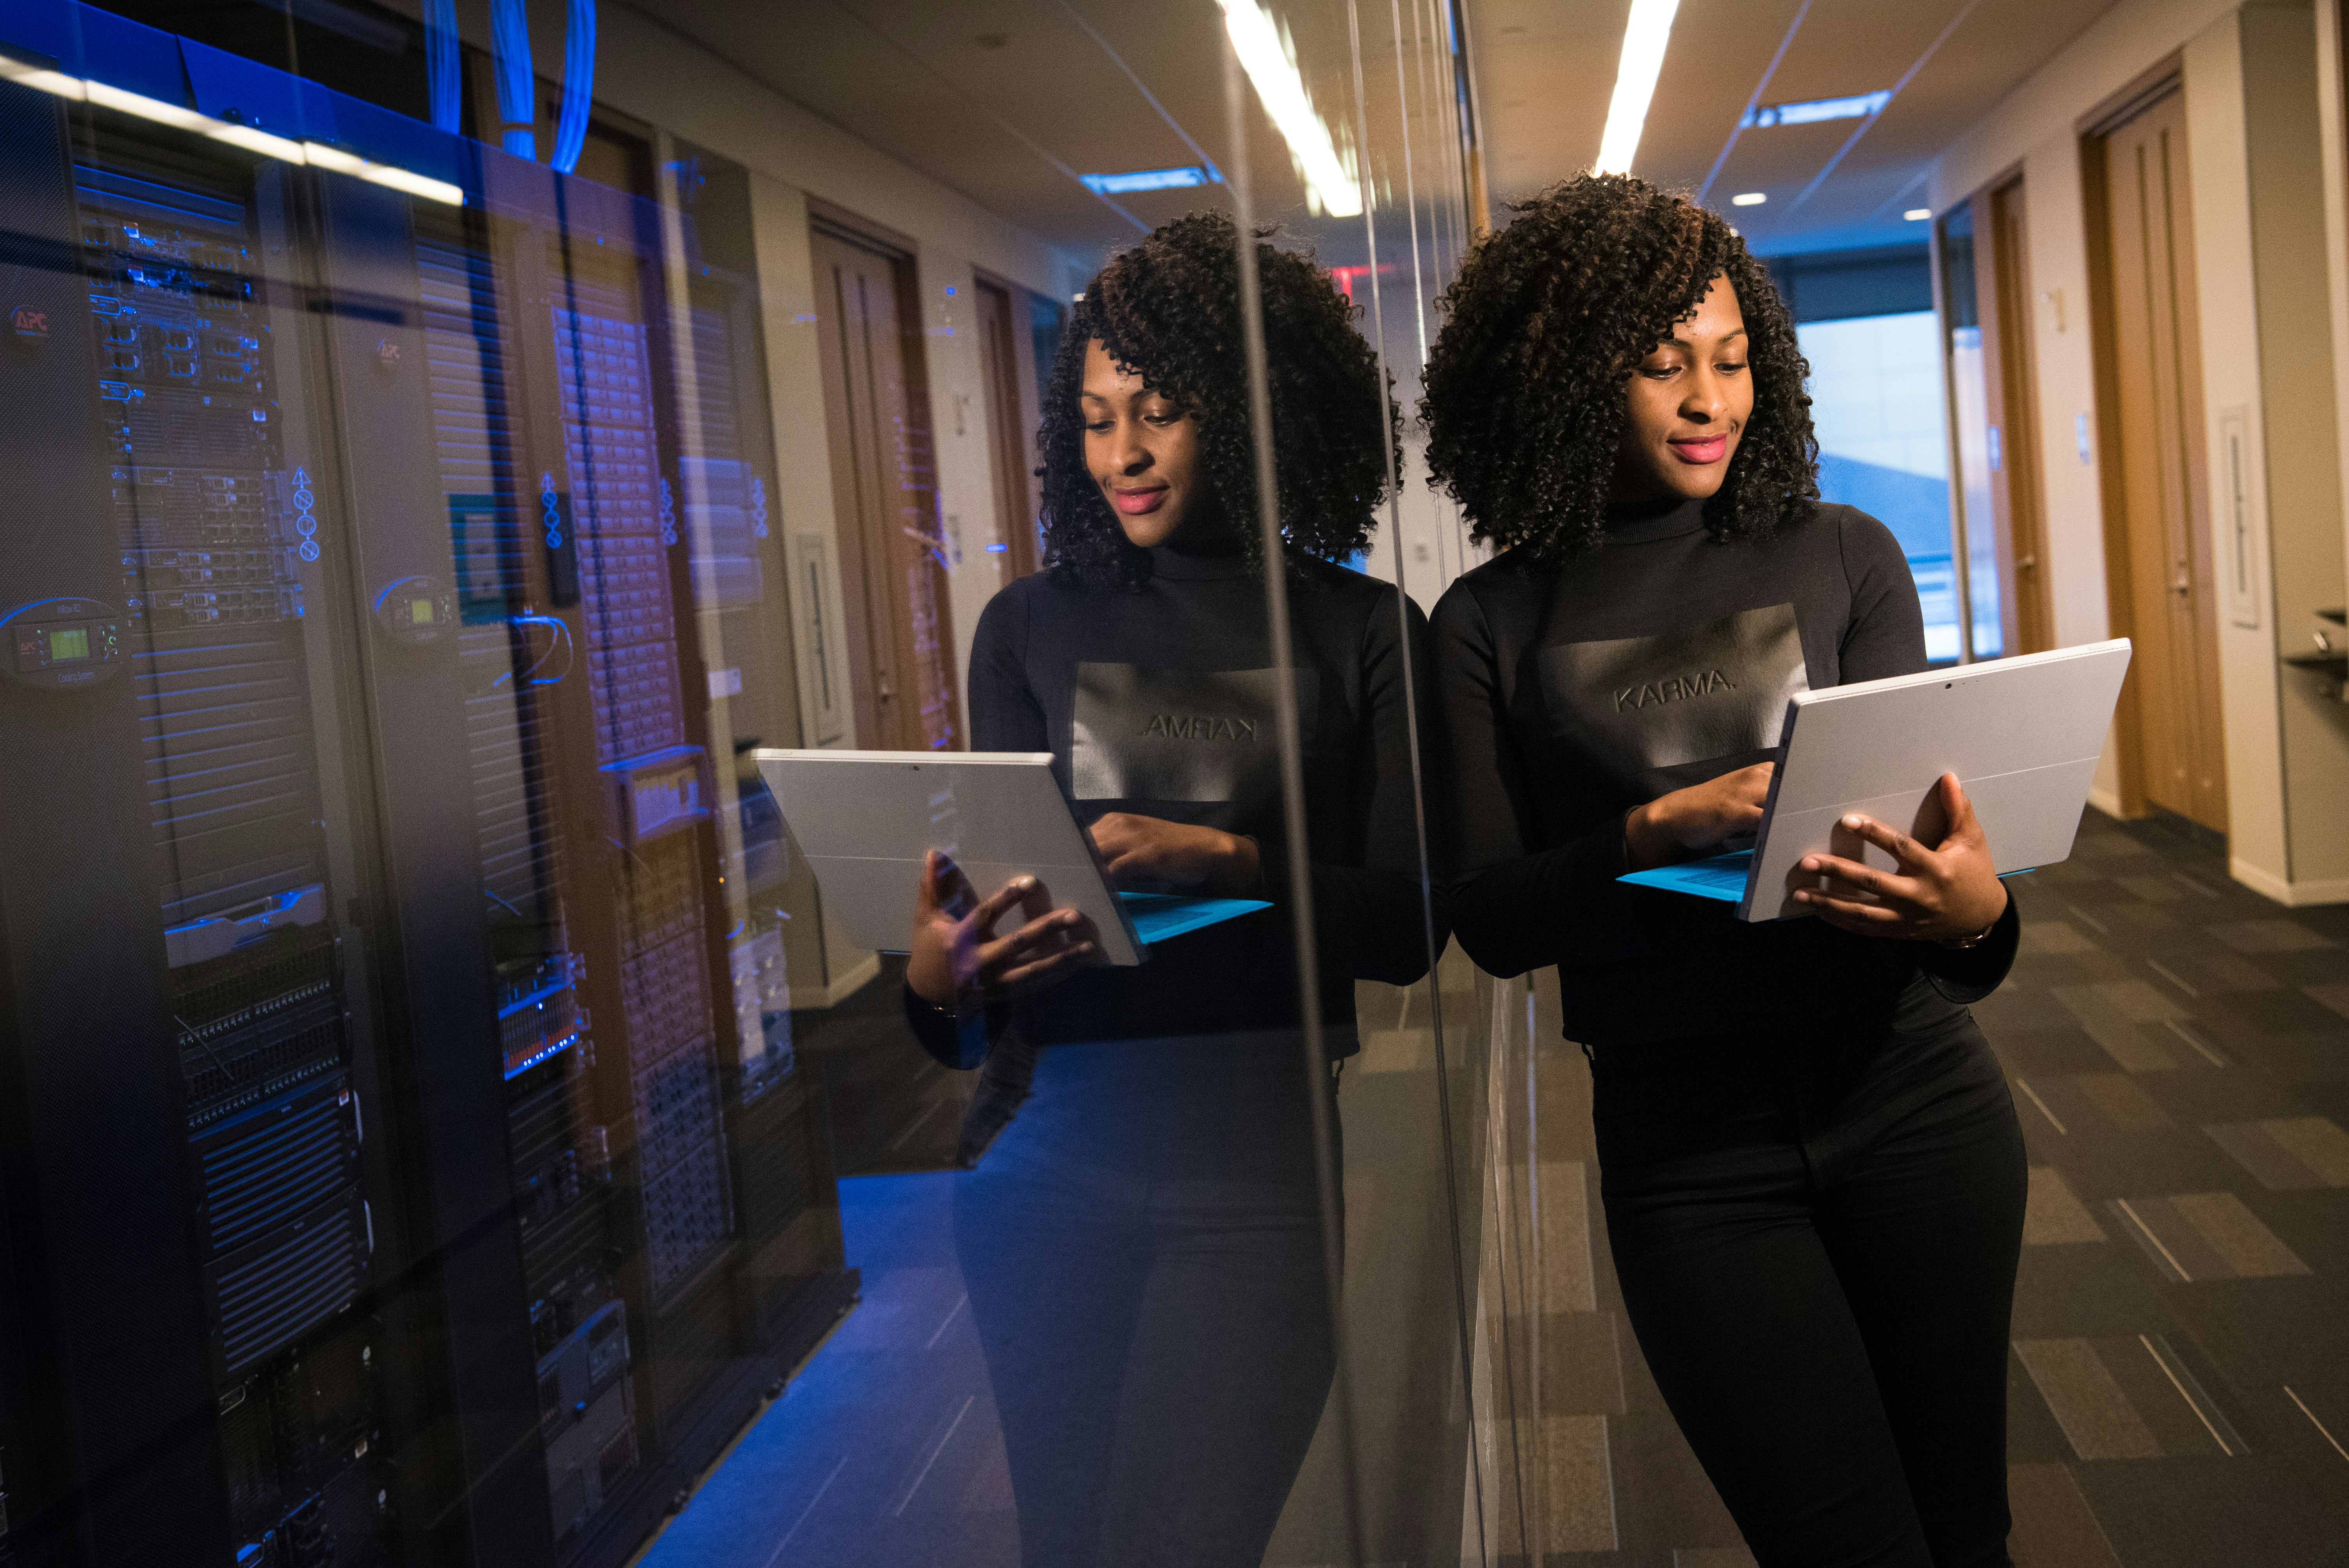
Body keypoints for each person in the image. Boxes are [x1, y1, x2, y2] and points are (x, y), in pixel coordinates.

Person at [1421, 173, 2025, 1568]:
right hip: (1691, 1158)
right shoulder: (1490, 621)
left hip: (1917, 1101)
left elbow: (1941, 879)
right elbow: (1494, 923)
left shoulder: (1845, 555)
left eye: (1734, 358)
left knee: (1966, 1531)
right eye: (1661, 364)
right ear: (1569, 381)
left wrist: (1979, 914)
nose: (1710, 398)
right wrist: (1647, 836)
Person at [898, 212, 1437, 1568]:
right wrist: (935, 980)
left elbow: (1415, 926)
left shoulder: (1363, 633)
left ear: (1255, 413)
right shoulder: (1029, 627)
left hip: (1255, 1174)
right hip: (1041, 1158)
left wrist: (1234, 863)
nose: (1122, 454)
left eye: (1158, 413)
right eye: (1093, 419)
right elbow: (984, 975)